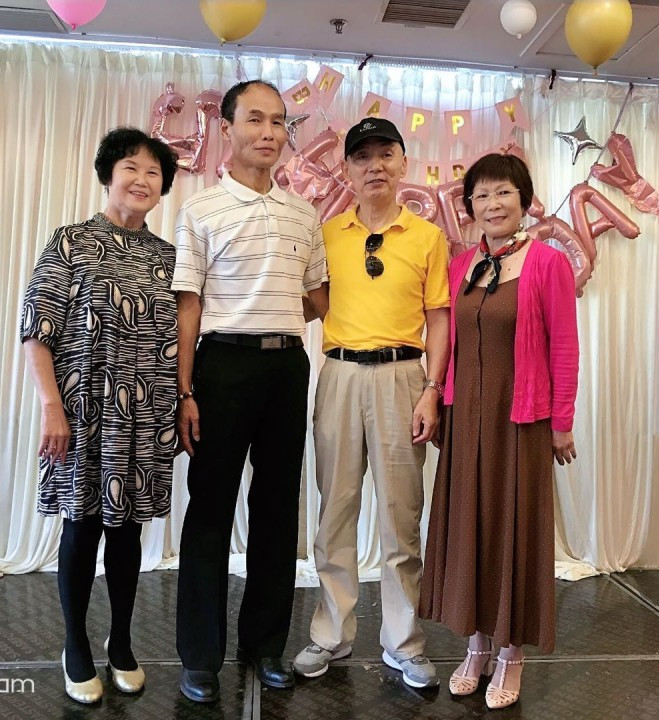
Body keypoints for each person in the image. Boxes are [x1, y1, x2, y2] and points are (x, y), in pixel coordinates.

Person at [172, 79, 328, 702]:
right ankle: (199, 657)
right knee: (209, 510)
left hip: (286, 368)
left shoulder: (304, 212)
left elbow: (318, 297)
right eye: (255, 120)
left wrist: (275, 316)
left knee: (277, 510)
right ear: (228, 128)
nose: (269, 133)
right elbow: (189, 303)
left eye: (278, 122)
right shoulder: (201, 209)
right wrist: (185, 390)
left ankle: (264, 646)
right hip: (221, 368)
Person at [19, 127, 179, 704]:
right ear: (108, 175)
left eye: (154, 172)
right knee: (82, 526)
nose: (142, 179)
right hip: (83, 411)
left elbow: (182, 338)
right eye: (131, 167)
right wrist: (51, 407)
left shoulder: (169, 258)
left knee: (129, 530)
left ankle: (122, 642)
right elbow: (36, 330)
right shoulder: (71, 242)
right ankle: (75, 645)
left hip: (143, 415)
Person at [293, 118, 450, 689]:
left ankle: (403, 642)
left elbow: (439, 317)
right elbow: (307, 304)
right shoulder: (326, 233)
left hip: (404, 377)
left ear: (403, 164)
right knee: (334, 508)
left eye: (386, 154)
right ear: (347, 170)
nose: (375, 166)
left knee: (400, 515)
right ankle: (330, 634)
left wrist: (433, 389)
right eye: (362, 157)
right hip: (338, 373)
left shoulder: (428, 237)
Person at [419, 153, 579, 708]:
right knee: (471, 530)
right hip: (466, 421)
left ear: (524, 200)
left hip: (522, 420)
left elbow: (564, 346)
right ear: (469, 207)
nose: (493, 204)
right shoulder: (460, 265)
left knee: (514, 532)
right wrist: (437, 399)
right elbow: (446, 340)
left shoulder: (549, 264)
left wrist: (562, 422)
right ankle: (476, 646)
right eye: (481, 195)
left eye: (504, 192)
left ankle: (511, 654)